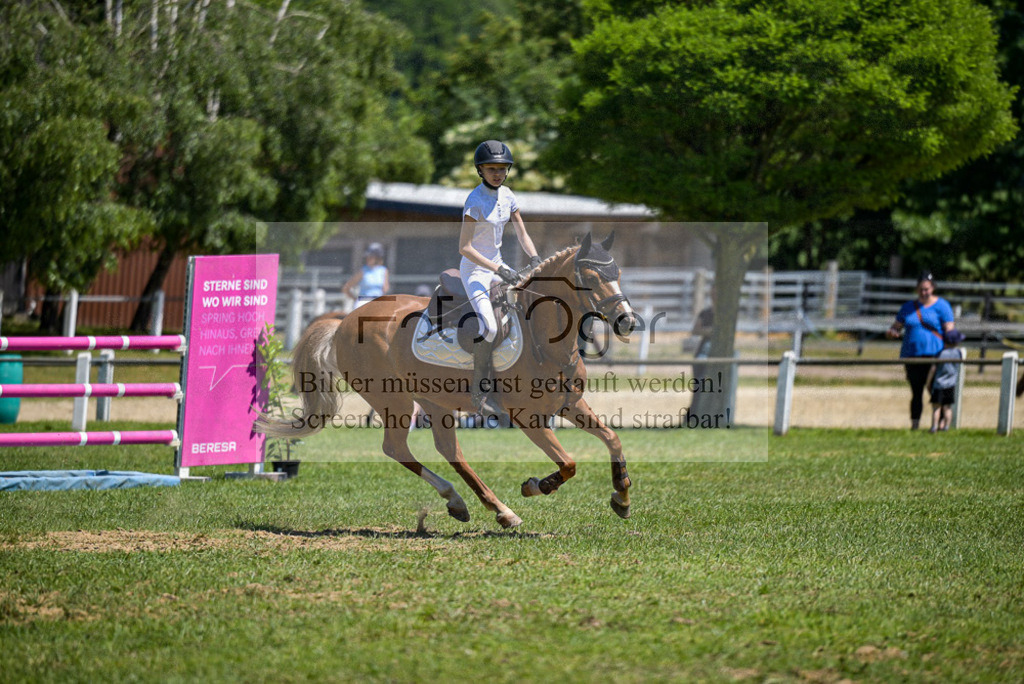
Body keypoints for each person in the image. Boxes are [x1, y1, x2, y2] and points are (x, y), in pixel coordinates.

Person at [460, 140, 541, 416]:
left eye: (502, 168)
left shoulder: (508, 196)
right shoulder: (474, 201)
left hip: (499, 266)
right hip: (475, 271)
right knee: (491, 328)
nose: (498, 173)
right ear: (480, 170)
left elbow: (522, 233)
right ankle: (479, 390)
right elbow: (465, 248)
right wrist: (498, 269)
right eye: (491, 168)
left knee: (530, 310)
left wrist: (535, 258)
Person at [886, 271, 956, 429]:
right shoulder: (907, 308)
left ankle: (940, 424)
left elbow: (950, 331)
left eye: (927, 289)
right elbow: (895, 327)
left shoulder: (942, 306)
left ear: (933, 288)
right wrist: (891, 333)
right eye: (921, 289)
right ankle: (915, 424)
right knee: (916, 392)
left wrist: (949, 348)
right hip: (912, 355)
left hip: (935, 356)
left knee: (935, 391)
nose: (924, 293)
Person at [929, 328, 965, 433]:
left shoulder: (940, 354)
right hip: (951, 384)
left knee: (936, 408)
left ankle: (934, 427)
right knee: (947, 408)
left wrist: (928, 382)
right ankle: (946, 427)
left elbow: (933, 369)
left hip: (938, 384)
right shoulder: (959, 353)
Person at [344, 243, 390, 309]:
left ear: (377, 258)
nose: (368, 259)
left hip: (379, 300)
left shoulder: (384, 270)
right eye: (367, 257)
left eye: (371, 257)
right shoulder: (363, 271)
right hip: (364, 300)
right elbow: (346, 287)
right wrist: (355, 299)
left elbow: (385, 288)